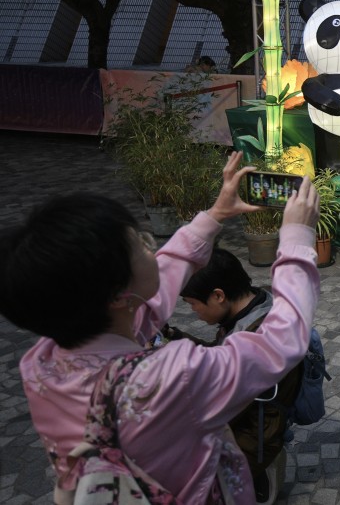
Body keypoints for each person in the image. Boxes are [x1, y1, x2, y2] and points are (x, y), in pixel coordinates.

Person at [0, 152, 319, 504]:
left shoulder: (40, 363)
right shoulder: (171, 378)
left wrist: (214, 217)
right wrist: (296, 240)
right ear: (120, 295)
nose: (155, 250)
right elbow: (281, 342)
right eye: (142, 243)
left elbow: (144, 305)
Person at [164, 247, 303, 504]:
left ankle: (259, 481)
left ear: (218, 295)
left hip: (253, 438)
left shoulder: (255, 339)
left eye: (193, 304)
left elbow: (221, 401)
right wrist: (175, 337)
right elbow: (220, 358)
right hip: (252, 422)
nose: (194, 311)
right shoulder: (258, 305)